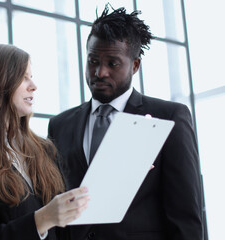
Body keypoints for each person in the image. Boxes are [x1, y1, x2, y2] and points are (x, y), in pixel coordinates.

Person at [48, 6, 203, 240]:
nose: (99, 72)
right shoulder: (60, 125)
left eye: (113, 63)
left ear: (135, 65)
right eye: (93, 61)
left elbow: (186, 216)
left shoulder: (169, 117)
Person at [0, 44, 90, 240]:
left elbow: (68, 230)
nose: (33, 86)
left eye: (31, 77)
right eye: (24, 77)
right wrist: (43, 218)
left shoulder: (44, 149)